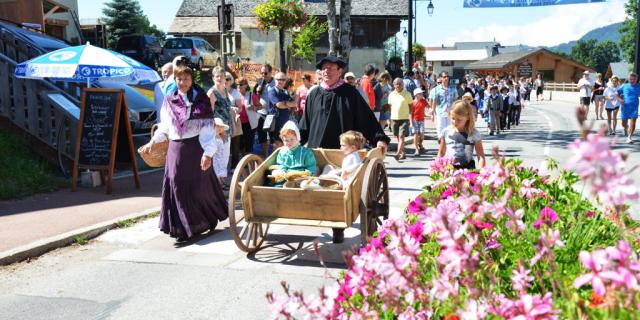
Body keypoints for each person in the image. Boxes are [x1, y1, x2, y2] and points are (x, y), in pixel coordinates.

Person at [299, 55, 390, 243]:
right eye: (324, 68)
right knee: (315, 185)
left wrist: (379, 138)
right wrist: (293, 141)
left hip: (342, 152)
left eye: (331, 67)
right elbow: (305, 125)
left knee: (337, 190)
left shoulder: (349, 92)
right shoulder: (314, 94)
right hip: (317, 150)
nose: (327, 71)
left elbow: (366, 118)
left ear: (339, 71)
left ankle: (337, 227)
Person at [140, 65, 228, 242]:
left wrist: (208, 153)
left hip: (195, 147)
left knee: (199, 185)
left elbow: (206, 128)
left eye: (186, 79)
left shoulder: (200, 100)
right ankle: (182, 228)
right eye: (179, 79)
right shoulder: (169, 99)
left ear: (192, 79)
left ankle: (204, 219)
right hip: (175, 147)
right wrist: (153, 141)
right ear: (176, 80)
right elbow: (165, 125)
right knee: (175, 182)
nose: (183, 82)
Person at [437, 100, 486, 170]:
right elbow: (441, 153)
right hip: (450, 170)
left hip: (468, 170)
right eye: (453, 118)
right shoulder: (446, 132)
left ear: (468, 117)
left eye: (459, 119)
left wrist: (481, 172)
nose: (455, 122)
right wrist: (437, 168)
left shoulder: (474, 134)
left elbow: (481, 156)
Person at [269, 121, 317, 186]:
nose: (289, 142)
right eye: (286, 140)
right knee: (276, 176)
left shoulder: (305, 152)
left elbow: (311, 166)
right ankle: (276, 182)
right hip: (287, 175)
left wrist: (308, 173)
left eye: (292, 139)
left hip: (301, 175)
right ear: (282, 140)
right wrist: (282, 171)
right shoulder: (282, 152)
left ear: (298, 138)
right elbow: (281, 164)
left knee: (304, 184)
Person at [207, 67, 232, 176]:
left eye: (222, 76)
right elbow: (209, 114)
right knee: (218, 157)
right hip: (218, 130)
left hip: (228, 127)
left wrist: (233, 127)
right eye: (217, 76)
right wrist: (218, 131)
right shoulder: (212, 92)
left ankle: (221, 180)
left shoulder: (225, 90)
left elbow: (228, 109)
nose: (220, 78)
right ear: (213, 78)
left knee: (225, 157)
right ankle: (217, 183)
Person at [269, 72, 296, 150]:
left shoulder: (285, 91)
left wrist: (287, 104)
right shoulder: (272, 91)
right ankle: (275, 162)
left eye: (283, 79)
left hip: (285, 123)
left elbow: (294, 104)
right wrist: (289, 104)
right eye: (279, 79)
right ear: (275, 80)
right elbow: (279, 105)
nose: (281, 81)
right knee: (277, 145)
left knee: (285, 144)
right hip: (275, 123)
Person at [430, 71, 459, 141]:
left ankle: (448, 148)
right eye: (444, 77)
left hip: (450, 113)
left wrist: (456, 112)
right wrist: (432, 113)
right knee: (440, 132)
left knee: (450, 132)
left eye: (447, 77)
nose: (446, 78)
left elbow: (456, 101)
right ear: (441, 78)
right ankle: (441, 148)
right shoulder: (436, 89)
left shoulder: (453, 89)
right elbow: (434, 102)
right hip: (440, 113)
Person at [254, 64, 275, 157]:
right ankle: (265, 155)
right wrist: (258, 92)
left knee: (273, 136)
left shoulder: (276, 83)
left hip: (272, 114)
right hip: (261, 113)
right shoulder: (259, 82)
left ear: (271, 72)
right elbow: (254, 98)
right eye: (262, 73)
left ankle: (274, 156)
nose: (263, 75)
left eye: (265, 73)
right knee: (262, 136)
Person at [389, 77, 413, 160]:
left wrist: (410, 118)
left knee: (402, 136)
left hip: (404, 119)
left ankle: (398, 153)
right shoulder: (391, 94)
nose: (398, 85)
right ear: (394, 85)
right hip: (394, 118)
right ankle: (403, 153)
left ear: (402, 85)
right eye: (396, 84)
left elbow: (411, 106)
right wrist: (389, 120)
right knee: (398, 137)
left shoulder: (407, 94)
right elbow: (390, 106)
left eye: (400, 84)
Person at [237, 77, 258, 154]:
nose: (238, 86)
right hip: (239, 123)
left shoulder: (251, 95)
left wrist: (254, 107)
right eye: (237, 84)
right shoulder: (236, 95)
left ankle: (248, 162)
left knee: (248, 143)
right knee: (240, 144)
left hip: (249, 123)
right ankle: (244, 160)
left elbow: (260, 106)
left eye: (241, 84)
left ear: (246, 85)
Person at [617, 72, 640, 143]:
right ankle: (626, 127)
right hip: (625, 107)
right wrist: (620, 99)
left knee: (633, 122)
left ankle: (629, 137)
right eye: (631, 79)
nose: (632, 81)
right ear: (628, 79)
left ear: (636, 79)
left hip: (634, 107)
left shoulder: (639, 86)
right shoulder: (624, 86)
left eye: (634, 79)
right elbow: (617, 94)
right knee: (624, 123)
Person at [212, 118, 230, 189]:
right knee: (216, 170)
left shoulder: (220, 136)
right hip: (215, 158)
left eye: (221, 127)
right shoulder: (213, 137)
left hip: (220, 157)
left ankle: (221, 182)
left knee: (220, 168)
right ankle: (219, 184)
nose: (219, 128)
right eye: (217, 126)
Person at [411, 88, 428, 155]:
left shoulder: (423, 101)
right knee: (416, 134)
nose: (422, 94)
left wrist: (430, 111)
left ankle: (420, 144)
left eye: (422, 93)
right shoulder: (413, 103)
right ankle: (416, 149)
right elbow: (410, 113)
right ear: (416, 95)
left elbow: (428, 106)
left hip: (421, 120)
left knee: (422, 134)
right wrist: (410, 122)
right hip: (414, 120)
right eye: (420, 93)